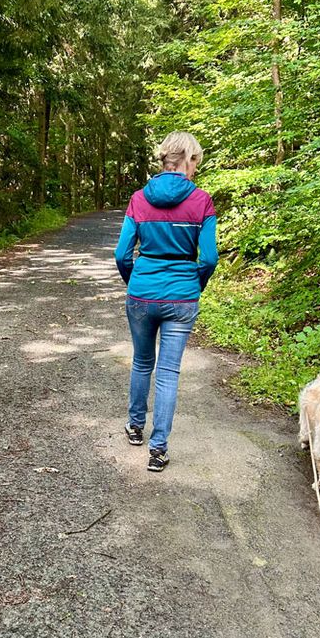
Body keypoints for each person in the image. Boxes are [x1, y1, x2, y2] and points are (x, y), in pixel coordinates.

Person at [114, 131, 218, 471]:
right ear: (187, 160)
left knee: (143, 361)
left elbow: (122, 254)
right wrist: (194, 286)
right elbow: (209, 259)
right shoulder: (202, 201)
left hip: (142, 293)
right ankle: (158, 449)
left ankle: (134, 427)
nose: (195, 170)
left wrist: (136, 282)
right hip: (182, 296)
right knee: (169, 373)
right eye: (195, 163)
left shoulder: (138, 199)